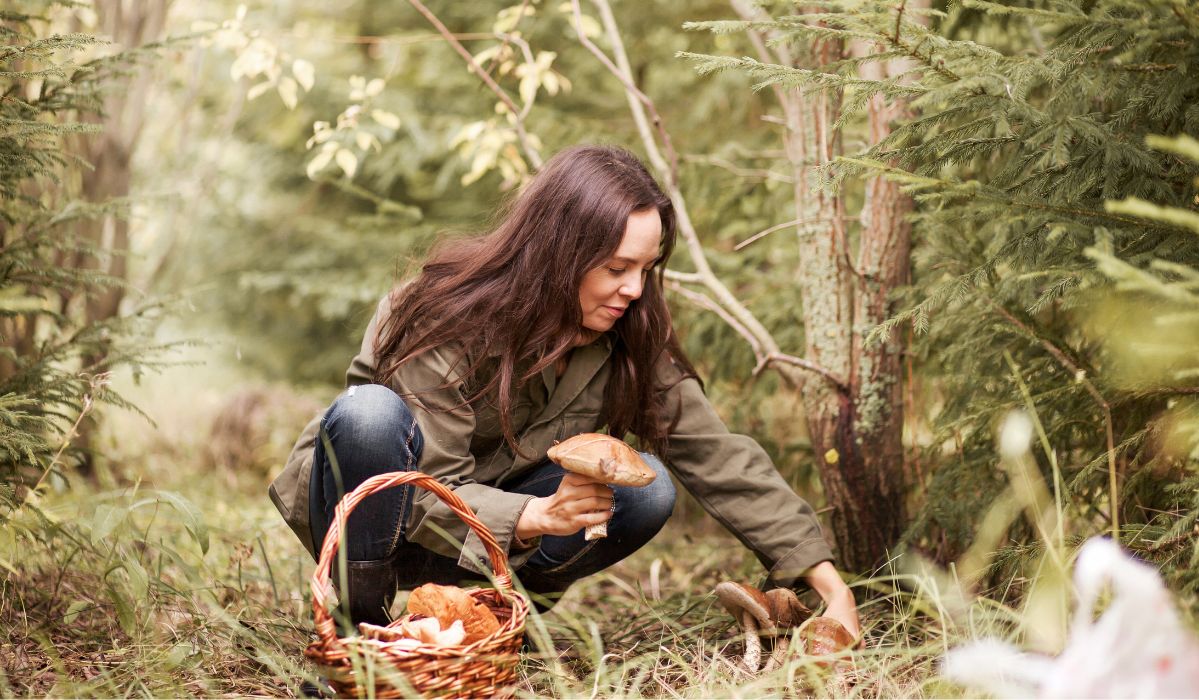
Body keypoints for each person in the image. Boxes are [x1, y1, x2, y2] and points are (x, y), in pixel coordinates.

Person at [268, 144, 860, 637]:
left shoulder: (628, 329)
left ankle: (492, 620)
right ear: (559, 253)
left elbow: (716, 453)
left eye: (646, 269)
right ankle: (356, 633)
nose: (633, 288)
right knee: (369, 414)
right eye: (616, 267)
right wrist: (532, 514)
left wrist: (830, 588)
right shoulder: (438, 313)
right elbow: (423, 490)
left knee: (644, 492)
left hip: (493, 544)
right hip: (382, 522)